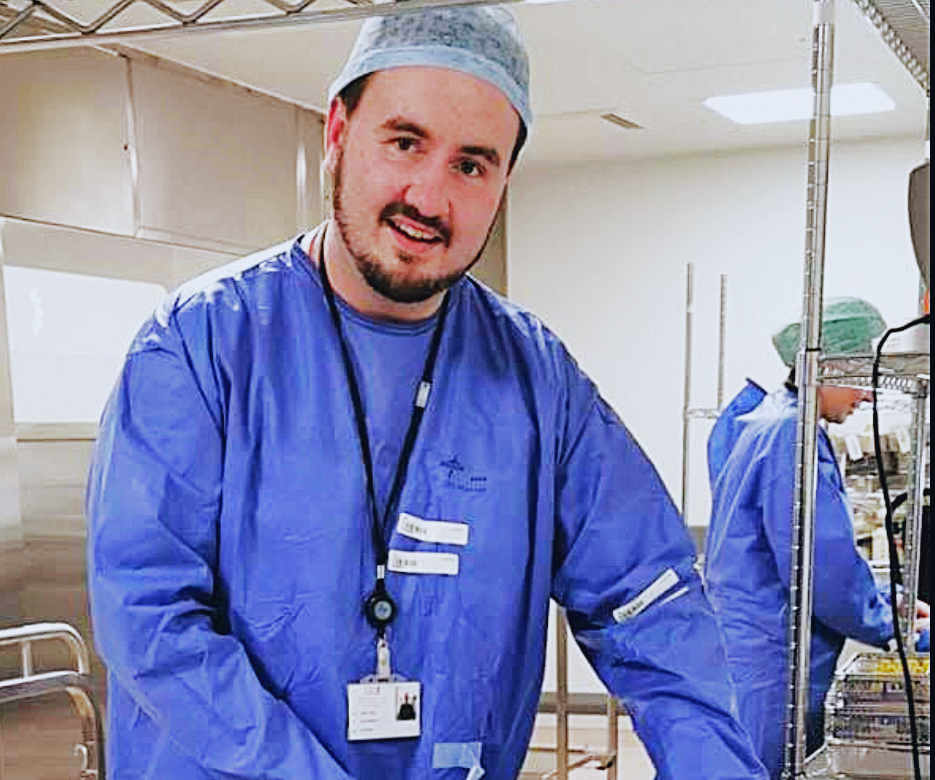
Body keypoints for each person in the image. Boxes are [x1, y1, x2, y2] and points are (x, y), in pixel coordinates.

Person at [86, 7, 767, 779]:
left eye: (471, 164)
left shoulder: (536, 378)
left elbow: (650, 603)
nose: (429, 197)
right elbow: (150, 618)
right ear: (338, 132)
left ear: (504, 181)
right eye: (405, 142)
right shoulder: (201, 343)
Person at [704, 297, 931, 778]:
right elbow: (820, 568)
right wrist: (890, 619)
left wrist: (892, 602)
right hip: (771, 653)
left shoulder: (770, 421)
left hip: (753, 641)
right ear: (828, 367)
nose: (867, 395)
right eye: (860, 377)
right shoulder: (792, 437)